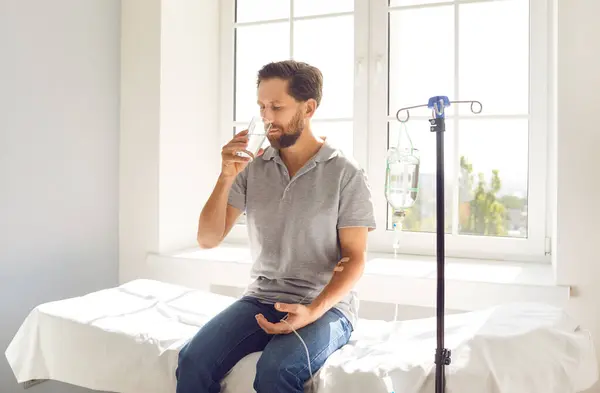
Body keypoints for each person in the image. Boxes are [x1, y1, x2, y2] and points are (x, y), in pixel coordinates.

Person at [175, 60, 376, 393]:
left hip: (325, 306)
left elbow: (355, 259)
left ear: (309, 107)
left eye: (277, 107)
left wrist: (311, 311)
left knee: (276, 370)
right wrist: (226, 176)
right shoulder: (253, 166)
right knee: (193, 361)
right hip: (260, 298)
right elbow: (207, 238)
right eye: (261, 107)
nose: (266, 117)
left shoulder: (345, 172)